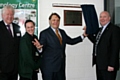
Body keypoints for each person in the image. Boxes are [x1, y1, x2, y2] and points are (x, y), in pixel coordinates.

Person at [39, 12, 85, 80]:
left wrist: (83, 36)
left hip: (61, 67)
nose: (56, 22)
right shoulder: (44, 33)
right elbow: (41, 48)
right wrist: (39, 48)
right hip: (49, 68)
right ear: (49, 21)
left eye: (57, 20)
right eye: (53, 20)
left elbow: (71, 41)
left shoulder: (62, 32)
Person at [86, 11, 120, 80]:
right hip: (100, 64)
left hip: (108, 66)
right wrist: (88, 34)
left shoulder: (114, 29)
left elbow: (115, 48)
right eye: (100, 17)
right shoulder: (100, 30)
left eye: (104, 17)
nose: (102, 19)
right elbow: (97, 42)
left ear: (109, 18)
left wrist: (111, 64)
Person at [0, 5, 21, 80]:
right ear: (2, 15)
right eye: (7, 14)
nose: (10, 16)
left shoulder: (17, 28)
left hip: (15, 68)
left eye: (11, 14)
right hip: (2, 69)